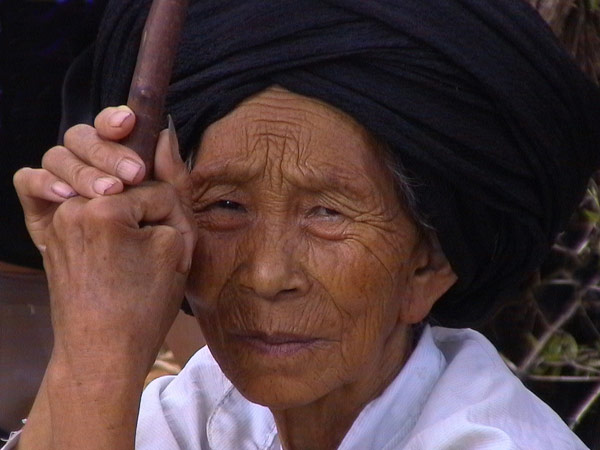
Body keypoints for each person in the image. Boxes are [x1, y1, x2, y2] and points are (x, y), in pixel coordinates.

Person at [3, 0, 600, 448]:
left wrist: (101, 357)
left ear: (428, 263)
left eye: (326, 214)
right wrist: (96, 330)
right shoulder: (202, 409)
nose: (266, 275)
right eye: (226, 206)